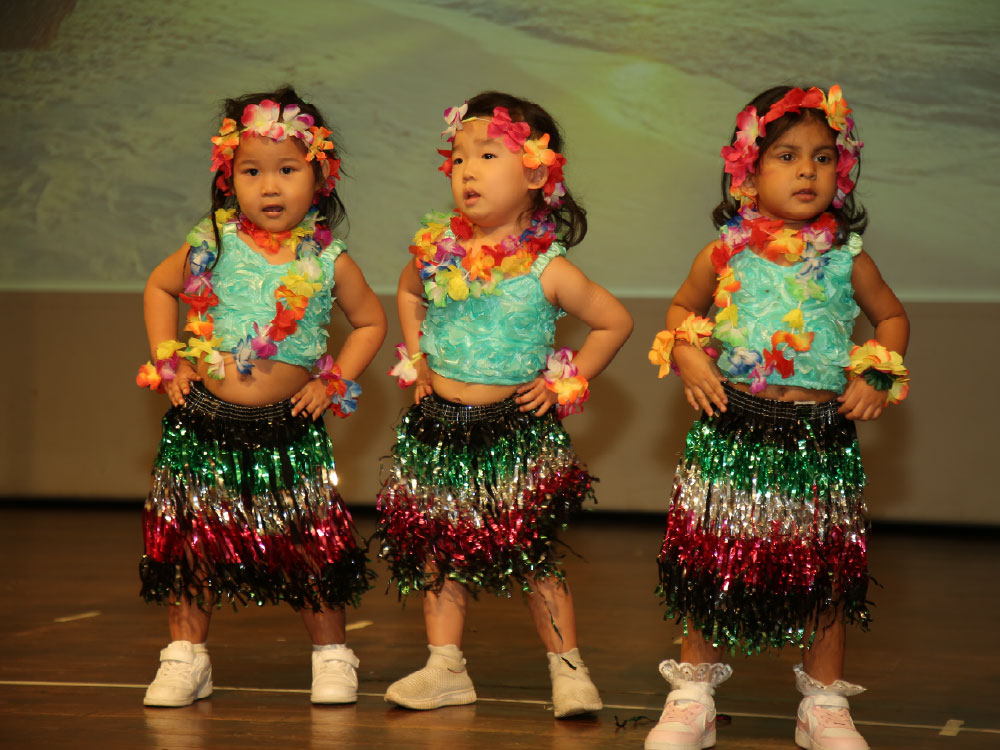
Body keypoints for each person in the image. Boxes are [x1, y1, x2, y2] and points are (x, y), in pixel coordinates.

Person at [646, 85, 910, 750]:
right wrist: (688, 352)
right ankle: (693, 696)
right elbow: (680, 310)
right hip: (733, 427)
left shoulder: (847, 258)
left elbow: (891, 317)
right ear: (747, 171)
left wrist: (877, 371)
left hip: (819, 436)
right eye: (787, 156)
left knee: (824, 574)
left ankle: (823, 705)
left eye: (823, 157)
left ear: (841, 172)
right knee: (713, 564)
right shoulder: (724, 253)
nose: (807, 171)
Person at [377, 91, 633, 718]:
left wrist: (566, 380)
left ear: (537, 175)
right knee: (438, 551)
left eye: (488, 155)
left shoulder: (548, 268)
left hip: (513, 431)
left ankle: (568, 671)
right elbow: (408, 293)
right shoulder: (436, 250)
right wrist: (420, 357)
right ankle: (445, 667)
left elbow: (614, 322)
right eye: (460, 157)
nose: (467, 170)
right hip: (438, 427)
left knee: (533, 554)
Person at [136, 86, 386, 708]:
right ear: (229, 177)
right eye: (252, 172)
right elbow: (160, 288)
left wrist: (333, 379)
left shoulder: (328, 259)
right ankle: (186, 657)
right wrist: (169, 359)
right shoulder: (212, 243)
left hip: (288, 426)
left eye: (287, 170)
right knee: (191, 539)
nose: (269, 187)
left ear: (320, 177)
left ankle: (332, 655)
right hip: (204, 421)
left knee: (310, 543)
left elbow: (370, 322)